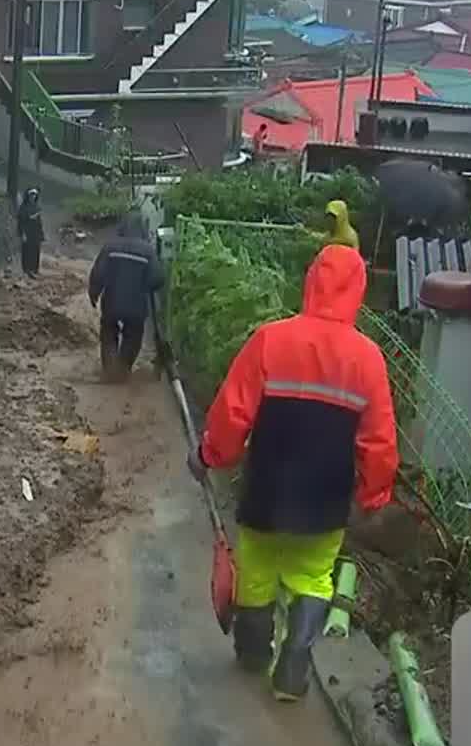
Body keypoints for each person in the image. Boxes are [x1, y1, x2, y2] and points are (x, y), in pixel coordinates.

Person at [189, 242, 398, 701]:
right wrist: (374, 495)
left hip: (267, 488)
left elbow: (232, 413)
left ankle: (252, 653)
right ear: (358, 292)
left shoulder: (271, 339)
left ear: (311, 282)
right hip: (325, 499)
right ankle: (294, 666)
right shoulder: (368, 359)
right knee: (314, 576)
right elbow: (379, 441)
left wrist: (207, 456)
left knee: (258, 570)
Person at [87, 210, 165, 382]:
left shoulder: (110, 247)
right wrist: (145, 287)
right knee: (133, 335)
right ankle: (123, 368)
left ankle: (110, 369)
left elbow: (98, 273)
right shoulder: (148, 251)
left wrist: (94, 293)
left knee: (108, 332)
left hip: (112, 301)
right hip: (137, 303)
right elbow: (158, 278)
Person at [17, 188, 44, 277]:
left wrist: (41, 235)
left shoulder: (37, 207)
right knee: (27, 251)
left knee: (36, 251)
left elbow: (39, 223)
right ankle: (27, 269)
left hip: (36, 233)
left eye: (34, 195)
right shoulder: (23, 208)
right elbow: (21, 222)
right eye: (31, 195)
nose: (33, 197)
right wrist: (22, 233)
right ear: (28, 196)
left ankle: (35, 269)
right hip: (27, 232)